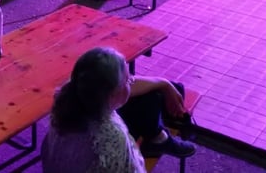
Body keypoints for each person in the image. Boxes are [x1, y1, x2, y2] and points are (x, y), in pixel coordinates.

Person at [41, 47, 195, 173]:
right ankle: (159, 137)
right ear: (112, 94)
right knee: (152, 99)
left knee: (157, 94)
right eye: (128, 80)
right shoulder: (112, 140)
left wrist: (164, 84)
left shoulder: (70, 96)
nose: (132, 81)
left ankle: (158, 135)